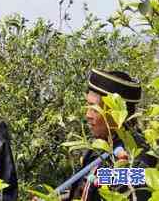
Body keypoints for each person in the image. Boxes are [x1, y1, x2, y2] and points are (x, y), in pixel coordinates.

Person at [66, 68, 157, 200]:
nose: (88, 115)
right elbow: (85, 191)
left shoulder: (136, 158)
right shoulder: (100, 147)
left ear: (115, 113)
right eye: (88, 106)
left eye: (94, 108)